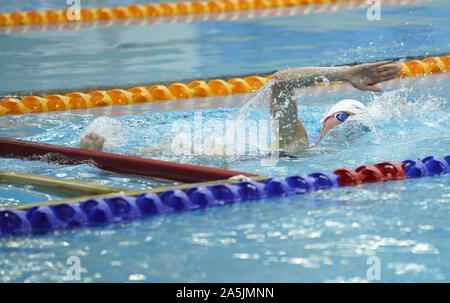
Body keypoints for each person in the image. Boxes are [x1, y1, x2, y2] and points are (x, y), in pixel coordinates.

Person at [79, 61, 401, 154]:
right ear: (325, 122)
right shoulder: (299, 142)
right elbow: (281, 81)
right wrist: (343, 74)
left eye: (359, 125)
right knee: (185, 148)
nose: (348, 127)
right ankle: (107, 153)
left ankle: (106, 154)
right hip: (211, 156)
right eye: (343, 118)